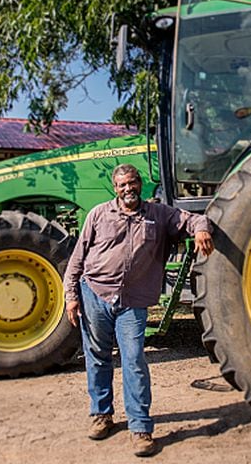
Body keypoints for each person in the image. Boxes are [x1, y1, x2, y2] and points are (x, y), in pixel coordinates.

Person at [63, 163, 214, 457]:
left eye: (132, 183)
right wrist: (71, 295)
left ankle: (141, 428)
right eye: (121, 185)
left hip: (132, 303)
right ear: (114, 188)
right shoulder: (98, 214)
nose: (127, 188)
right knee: (97, 358)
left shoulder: (158, 215)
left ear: (139, 183)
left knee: (133, 361)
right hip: (94, 294)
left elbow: (193, 219)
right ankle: (101, 414)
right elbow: (78, 257)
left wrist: (201, 231)